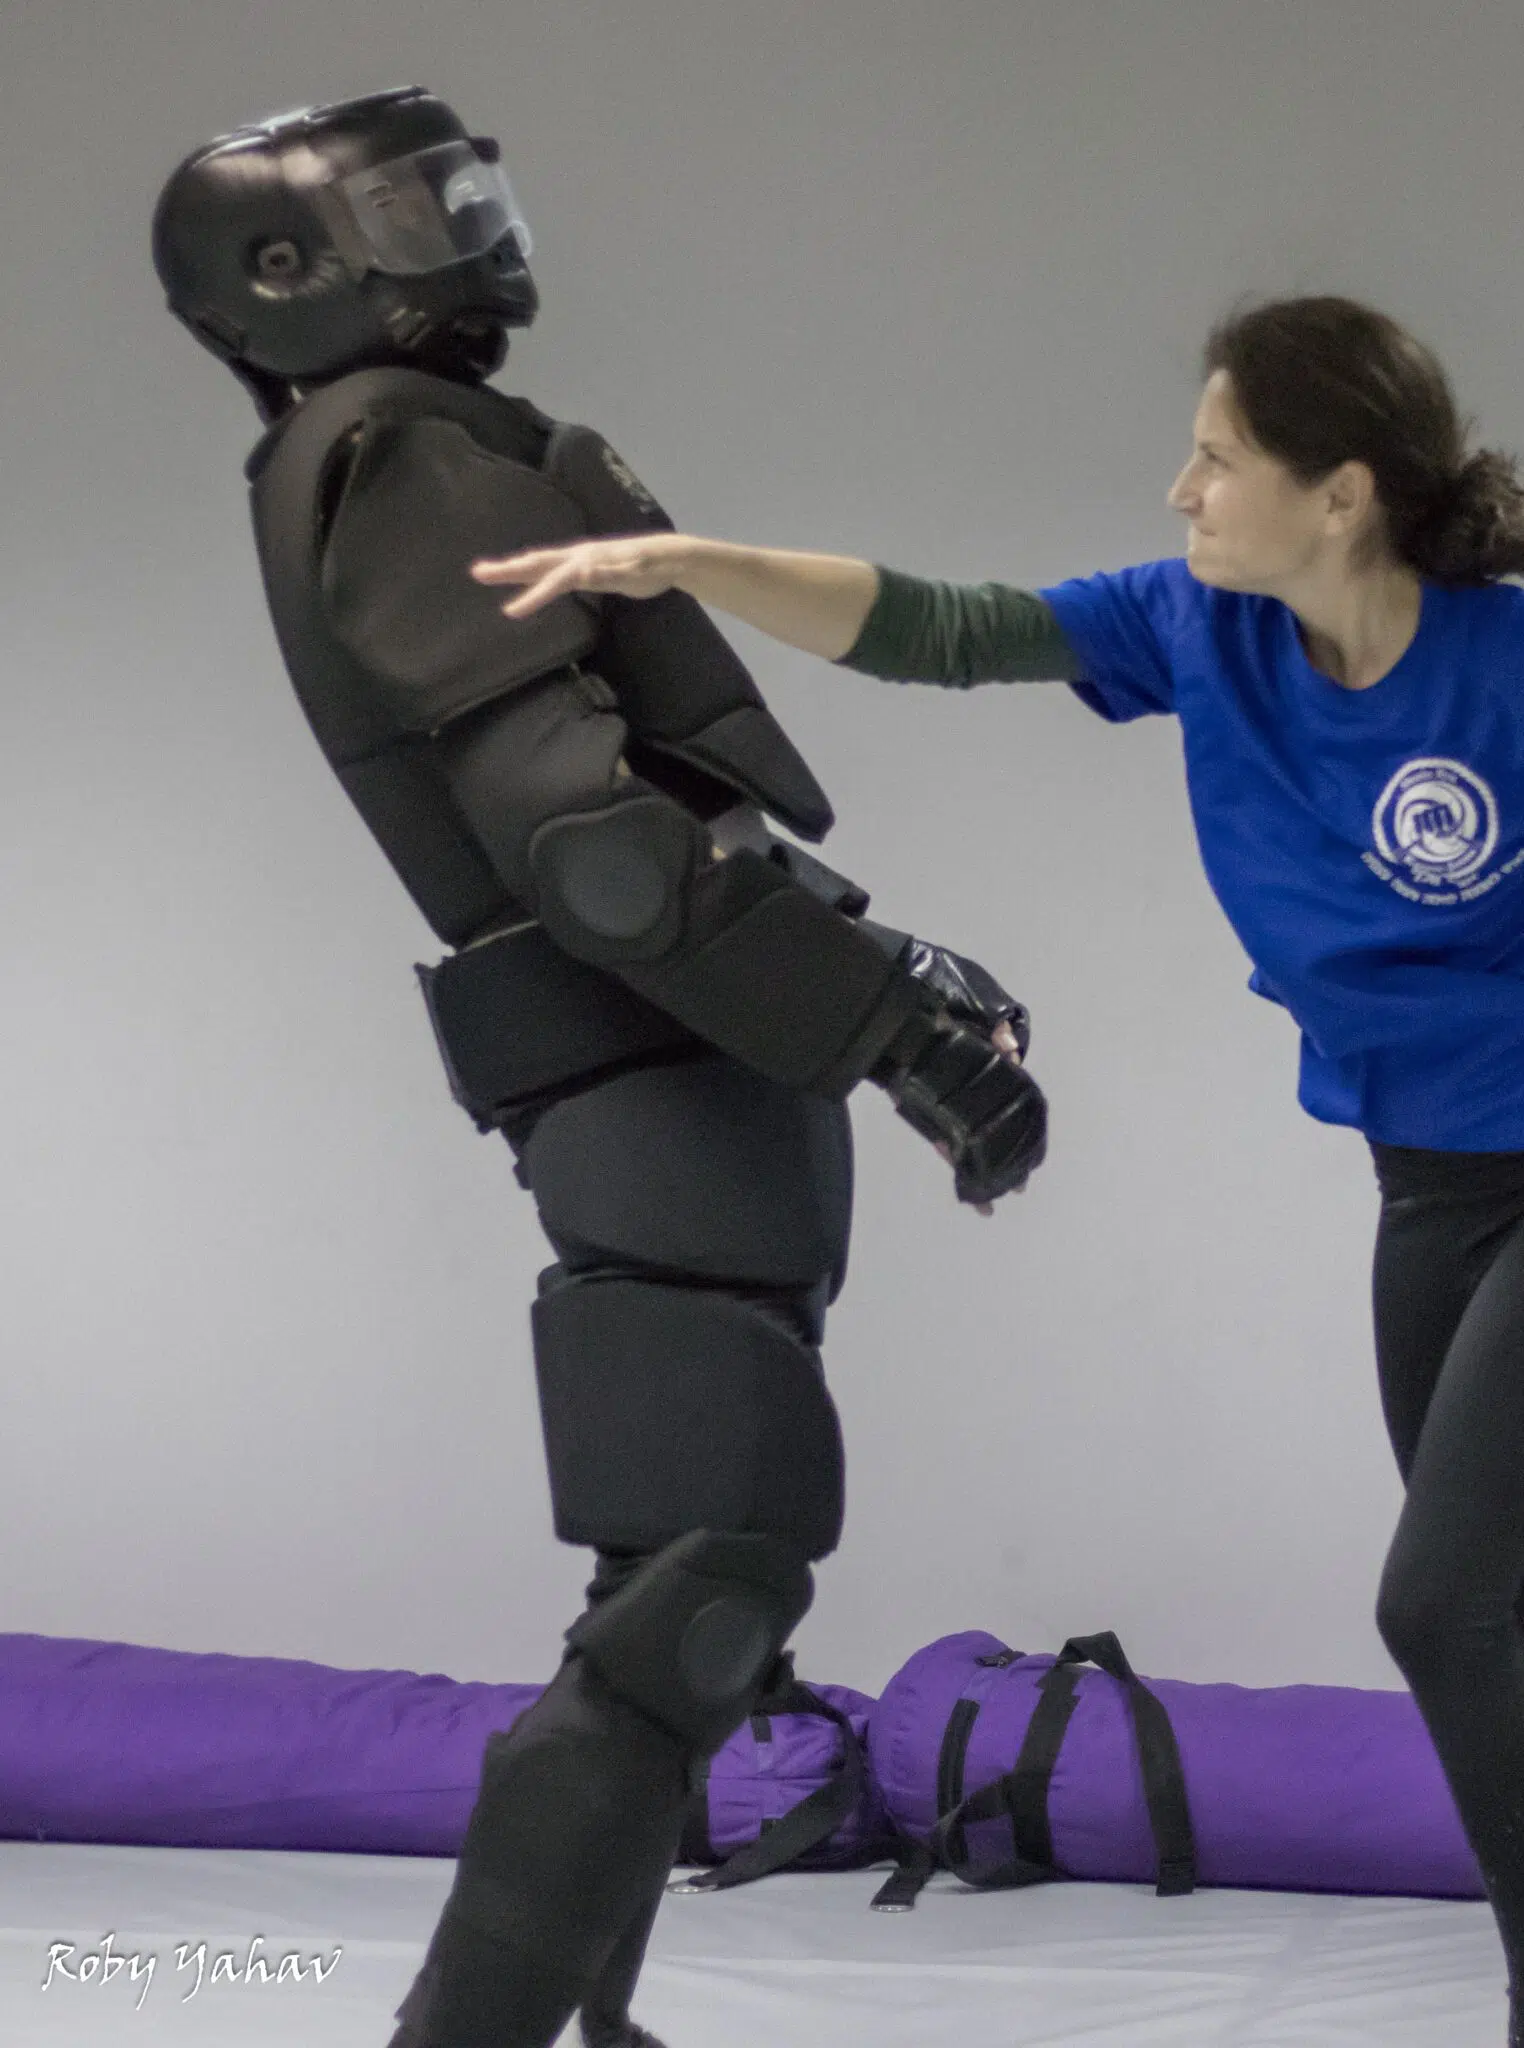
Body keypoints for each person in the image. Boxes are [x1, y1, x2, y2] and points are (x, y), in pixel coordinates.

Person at [473, 292, 1524, 2048]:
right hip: (1426, 1189)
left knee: (1438, 1606)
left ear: (1341, 493)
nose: (1183, 491)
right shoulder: (1203, 630)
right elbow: (948, 629)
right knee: (1521, 1620)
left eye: (1218, 458)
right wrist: (692, 566)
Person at [152, 87, 1046, 2048]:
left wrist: (871, 979)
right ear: (285, 269)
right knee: (700, 1594)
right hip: (649, 1075)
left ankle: (588, 2020)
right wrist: (894, 1018)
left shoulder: (390, 440)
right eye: (413, 207)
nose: (467, 230)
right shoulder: (397, 448)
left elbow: (633, 820)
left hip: (677, 1069)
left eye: (466, 192)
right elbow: (599, 848)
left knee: (673, 1591)